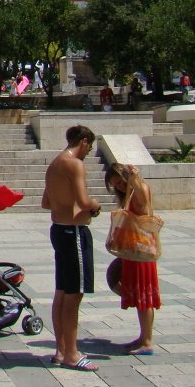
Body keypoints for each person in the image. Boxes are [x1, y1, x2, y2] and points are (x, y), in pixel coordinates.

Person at [41, 125, 102, 372]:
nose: (88, 152)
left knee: (62, 292)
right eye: (90, 147)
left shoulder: (54, 164)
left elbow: (46, 202)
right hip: (74, 231)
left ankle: (61, 349)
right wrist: (95, 205)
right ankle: (73, 354)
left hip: (58, 229)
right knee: (74, 294)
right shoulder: (74, 164)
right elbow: (84, 201)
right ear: (84, 142)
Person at [105, 163, 161, 356]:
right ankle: (143, 337)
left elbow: (144, 204)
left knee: (145, 296)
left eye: (121, 182)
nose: (120, 187)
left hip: (141, 251)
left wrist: (134, 180)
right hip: (133, 251)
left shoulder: (140, 187)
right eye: (116, 185)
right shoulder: (128, 193)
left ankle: (147, 342)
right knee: (139, 296)